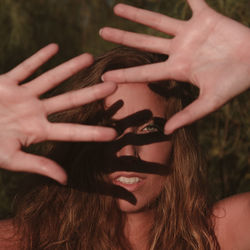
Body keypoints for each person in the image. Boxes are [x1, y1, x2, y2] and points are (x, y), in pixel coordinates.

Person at [0, 0, 249, 250]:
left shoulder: (218, 235)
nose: (128, 153)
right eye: (109, 130)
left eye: (148, 129)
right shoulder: (30, 240)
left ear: (177, 141)